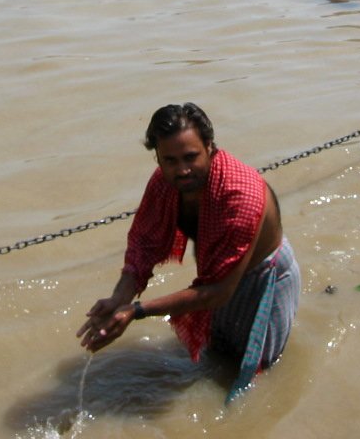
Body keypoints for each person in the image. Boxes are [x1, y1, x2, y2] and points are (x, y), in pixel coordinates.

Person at [76, 103, 300, 400]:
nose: (181, 169)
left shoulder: (240, 194)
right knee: (216, 357)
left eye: (190, 157)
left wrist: (137, 311)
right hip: (217, 272)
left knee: (251, 381)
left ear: (209, 147)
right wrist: (119, 299)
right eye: (169, 160)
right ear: (157, 157)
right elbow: (144, 244)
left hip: (263, 278)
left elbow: (219, 292)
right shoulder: (164, 183)